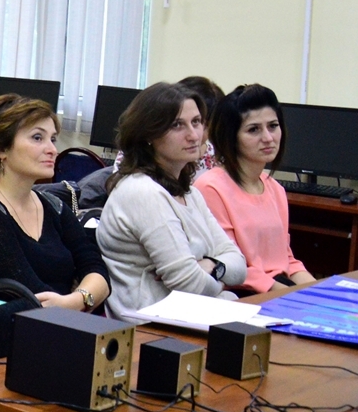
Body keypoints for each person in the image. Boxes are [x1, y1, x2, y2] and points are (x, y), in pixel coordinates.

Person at [0, 95, 111, 311]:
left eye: (53, 139)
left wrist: (75, 301)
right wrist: (80, 301)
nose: (52, 149)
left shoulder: (53, 205)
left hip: (60, 321)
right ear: (1, 148)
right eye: (37, 138)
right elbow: (30, 295)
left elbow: (97, 271)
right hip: (4, 326)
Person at [97, 82, 247, 316]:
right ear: (149, 133)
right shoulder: (142, 192)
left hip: (190, 313)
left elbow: (239, 264)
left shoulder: (190, 194)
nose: (194, 135)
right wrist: (220, 277)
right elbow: (189, 285)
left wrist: (211, 265)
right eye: (177, 125)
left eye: (196, 122)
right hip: (149, 324)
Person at [195, 84, 315, 293]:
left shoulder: (275, 189)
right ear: (231, 137)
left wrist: (320, 292)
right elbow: (229, 263)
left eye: (273, 126)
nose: (268, 138)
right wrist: (292, 296)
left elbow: (287, 260)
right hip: (241, 293)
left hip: (278, 288)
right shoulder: (210, 188)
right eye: (253, 130)